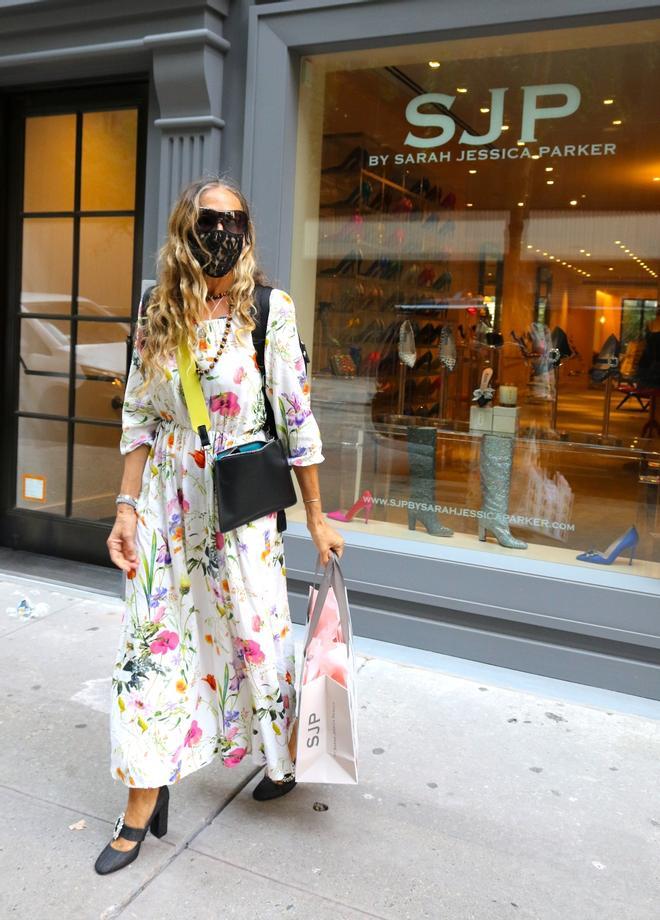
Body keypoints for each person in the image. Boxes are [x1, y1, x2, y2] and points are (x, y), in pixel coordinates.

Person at [94, 176, 344, 875]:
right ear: (187, 227)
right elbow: (140, 415)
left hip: (241, 505)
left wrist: (318, 519)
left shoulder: (270, 309)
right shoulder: (158, 308)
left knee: (257, 641)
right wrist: (125, 506)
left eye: (236, 219)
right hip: (168, 503)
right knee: (151, 647)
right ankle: (145, 796)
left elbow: (297, 420)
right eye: (211, 219)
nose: (224, 231)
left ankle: (282, 757)